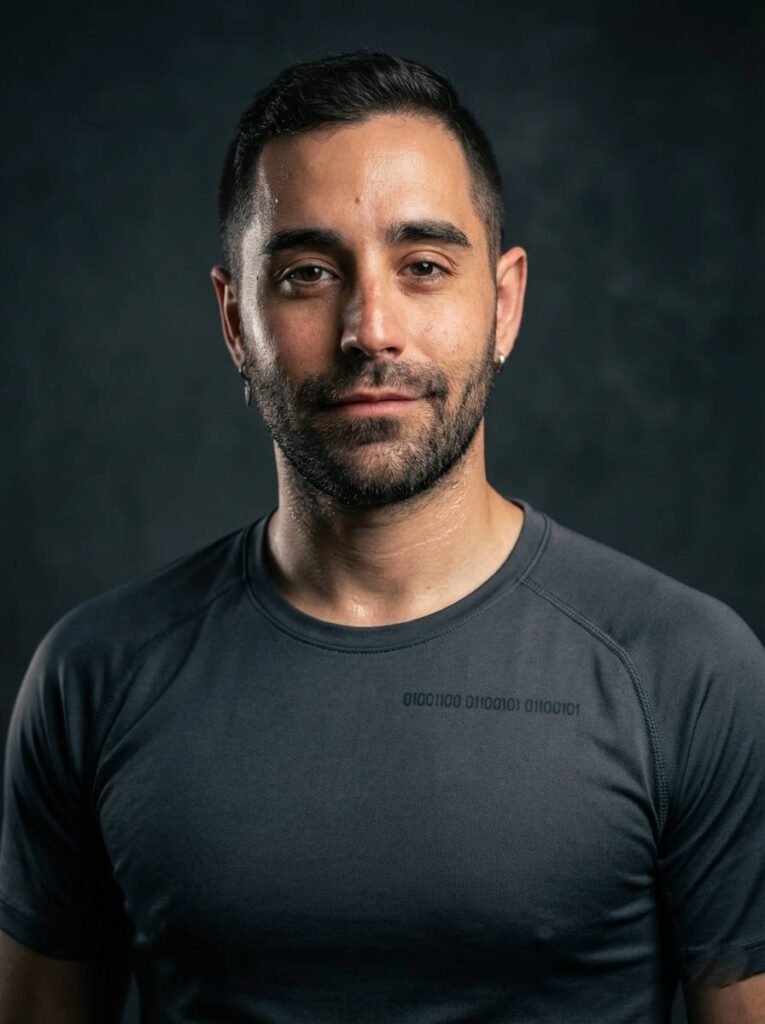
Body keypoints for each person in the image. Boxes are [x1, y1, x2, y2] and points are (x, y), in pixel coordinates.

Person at [0, 51, 763, 1024]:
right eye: (308, 274)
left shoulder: (688, 672)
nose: (370, 328)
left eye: (424, 267)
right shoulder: (94, 675)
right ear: (235, 321)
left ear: (505, 303)